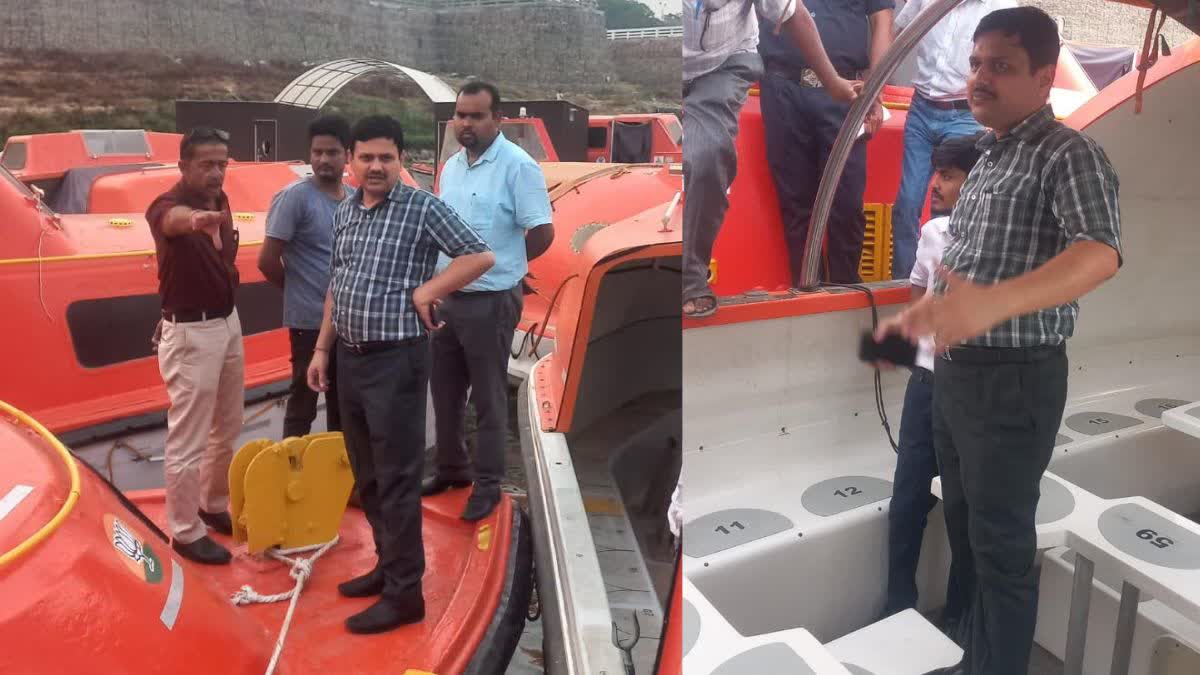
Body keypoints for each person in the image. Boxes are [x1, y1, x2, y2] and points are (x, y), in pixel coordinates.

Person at [874, 8, 1122, 673]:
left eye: (1001, 66)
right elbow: (973, 265)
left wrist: (993, 305)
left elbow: (1099, 252)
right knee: (966, 529)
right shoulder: (987, 155)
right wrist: (925, 314)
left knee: (1002, 549)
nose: (980, 78)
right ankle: (974, 655)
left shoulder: (1070, 154)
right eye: (977, 63)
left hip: (1015, 380)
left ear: (1044, 77)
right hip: (956, 377)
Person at [306, 115, 495, 634]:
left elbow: (480, 254)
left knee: (396, 479)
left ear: (401, 161)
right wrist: (323, 349)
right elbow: (336, 283)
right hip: (350, 356)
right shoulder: (345, 212)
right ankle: (388, 567)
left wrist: (427, 292)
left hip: (397, 362)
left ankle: (405, 593)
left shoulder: (421, 208)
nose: (375, 166)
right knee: (365, 475)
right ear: (351, 160)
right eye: (365, 157)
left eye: (386, 158)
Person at [423, 81, 554, 522]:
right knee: (444, 391)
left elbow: (542, 232)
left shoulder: (518, 167)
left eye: (476, 116)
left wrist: (507, 268)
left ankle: (488, 484)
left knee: (489, 397)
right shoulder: (452, 167)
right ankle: (451, 469)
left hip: (491, 301)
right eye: (460, 115)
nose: (466, 123)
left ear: (497, 119)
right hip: (448, 297)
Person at [682, 0, 859, 318]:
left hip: (725, 63)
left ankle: (690, 276)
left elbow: (795, 14)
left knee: (706, 154)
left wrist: (833, 83)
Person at [882, 132, 982, 626]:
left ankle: (959, 619)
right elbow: (916, 298)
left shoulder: (998, 243)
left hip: (971, 392)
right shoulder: (930, 232)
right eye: (936, 173)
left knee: (965, 512)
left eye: (947, 176)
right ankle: (897, 608)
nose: (935, 184)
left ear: (976, 181)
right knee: (906, 505)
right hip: (925, 389)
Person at [145, 126, 244, 565]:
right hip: (191, 334)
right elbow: (171, 220)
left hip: (227, 325)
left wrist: (211, 218)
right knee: (188, 439)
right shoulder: (167, 207)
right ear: (183, 165)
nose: (216, 172)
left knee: (228, 425)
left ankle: (213, 504)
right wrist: (195, 222)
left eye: (222, 164)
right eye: (206, 164)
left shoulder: (219, 201)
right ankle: (185, 532)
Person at [759, 0, 893, 288]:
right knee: (795, 202)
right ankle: (807, 289)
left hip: (847, 92)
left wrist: (876, 89)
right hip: (783, 88)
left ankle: (845, 292)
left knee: (846, 201)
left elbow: (882, 21)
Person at [889, 0, 1016, 280]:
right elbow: (897, 33)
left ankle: (943, 284)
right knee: (907, 203)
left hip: (965, 113)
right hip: (921, 108)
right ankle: (901, 283)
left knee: (951, 208)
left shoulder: (1000, 6)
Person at [258, 115, 353, 439]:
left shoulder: (355, 198)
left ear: (348, 155)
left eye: (332, 152)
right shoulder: (295, 197)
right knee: (304, 400)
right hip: (309, 323)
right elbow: (267, 260)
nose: (324, 160)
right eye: (317, 152)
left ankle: (343, 477)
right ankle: (291, 473)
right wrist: (297, 289)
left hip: (348, 322)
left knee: (344, 403)